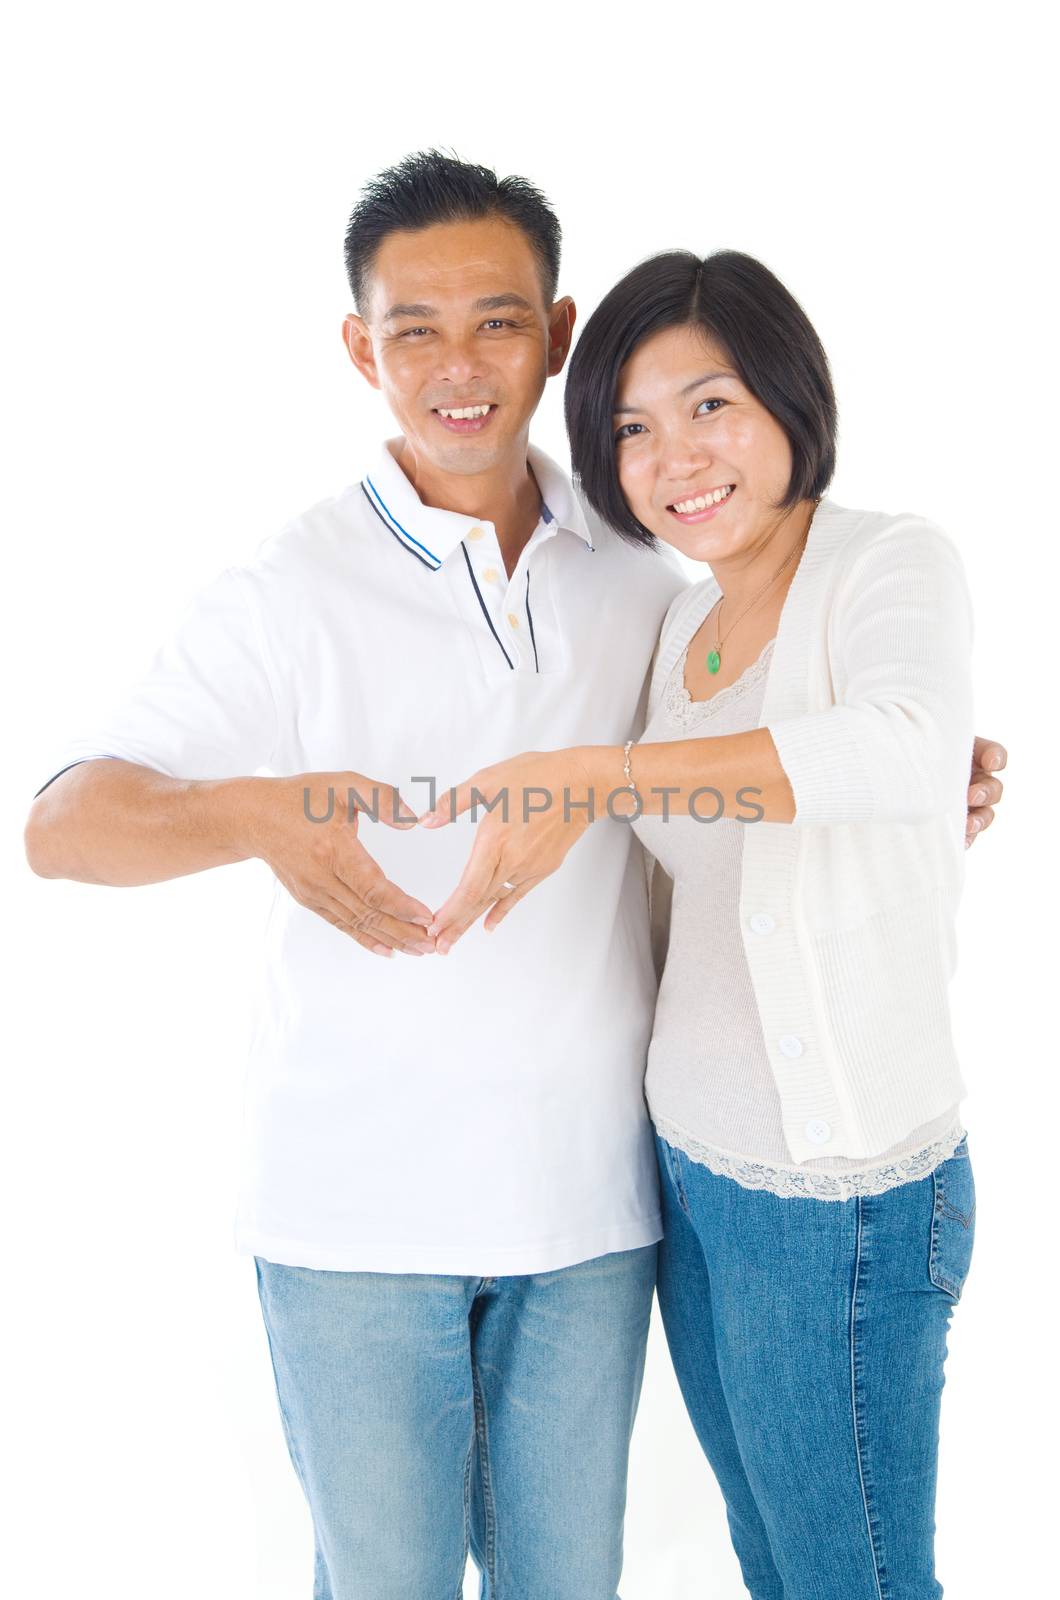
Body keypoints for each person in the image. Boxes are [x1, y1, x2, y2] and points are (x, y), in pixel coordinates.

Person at [22, 154, 1003, 1599]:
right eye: (412, 327)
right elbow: (61, 826)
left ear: (554, 330)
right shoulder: (289, 588)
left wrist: (920, 770)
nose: (457, 365)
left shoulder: (645, 572)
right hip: (354, 1220)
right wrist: (253, 815)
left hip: (593, 1215)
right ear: (362, 350)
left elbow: (785, 750)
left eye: (496, 321)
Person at [422, 248, 996, 1597]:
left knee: (849, 1575)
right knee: (774, 1561)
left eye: (709, 405)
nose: (672, 455)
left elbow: (902, 745)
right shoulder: (683, 630)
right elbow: (717, 854)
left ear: (791, 397)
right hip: (694, 1179)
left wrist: (599, 777)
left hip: (840, 1199)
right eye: (628, 426)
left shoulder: (886, 564)